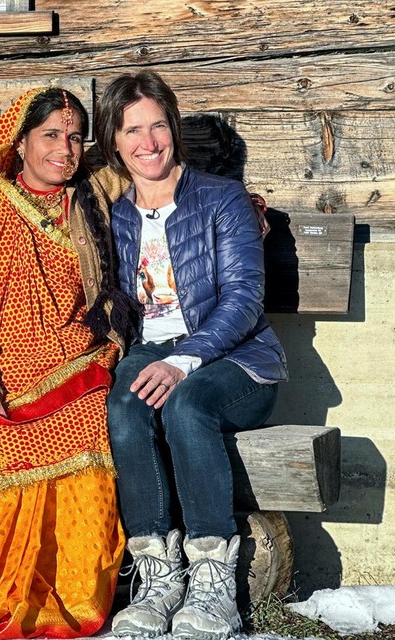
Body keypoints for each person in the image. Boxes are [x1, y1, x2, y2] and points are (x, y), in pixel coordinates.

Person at [0, 87, 125, 639]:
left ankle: (74, 594)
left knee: (90, 447)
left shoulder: (93, 197)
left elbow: (161, 182)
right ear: (21, 142)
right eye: (51, 135)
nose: (66, 148)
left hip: (75, 357)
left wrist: (238, 206)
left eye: (75, 137)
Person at [93, 71, 288, 640]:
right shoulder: (112, 212)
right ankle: (157, 574)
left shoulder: (221, 199)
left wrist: (187, 359)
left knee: (184, 407)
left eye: (158, 126)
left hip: (236, 360)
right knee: (126, 406)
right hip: (150, 349)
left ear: (173, 130)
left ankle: (212, 579)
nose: (148, 142)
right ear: (114, 141)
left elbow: (245, 300)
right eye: (133, 130)